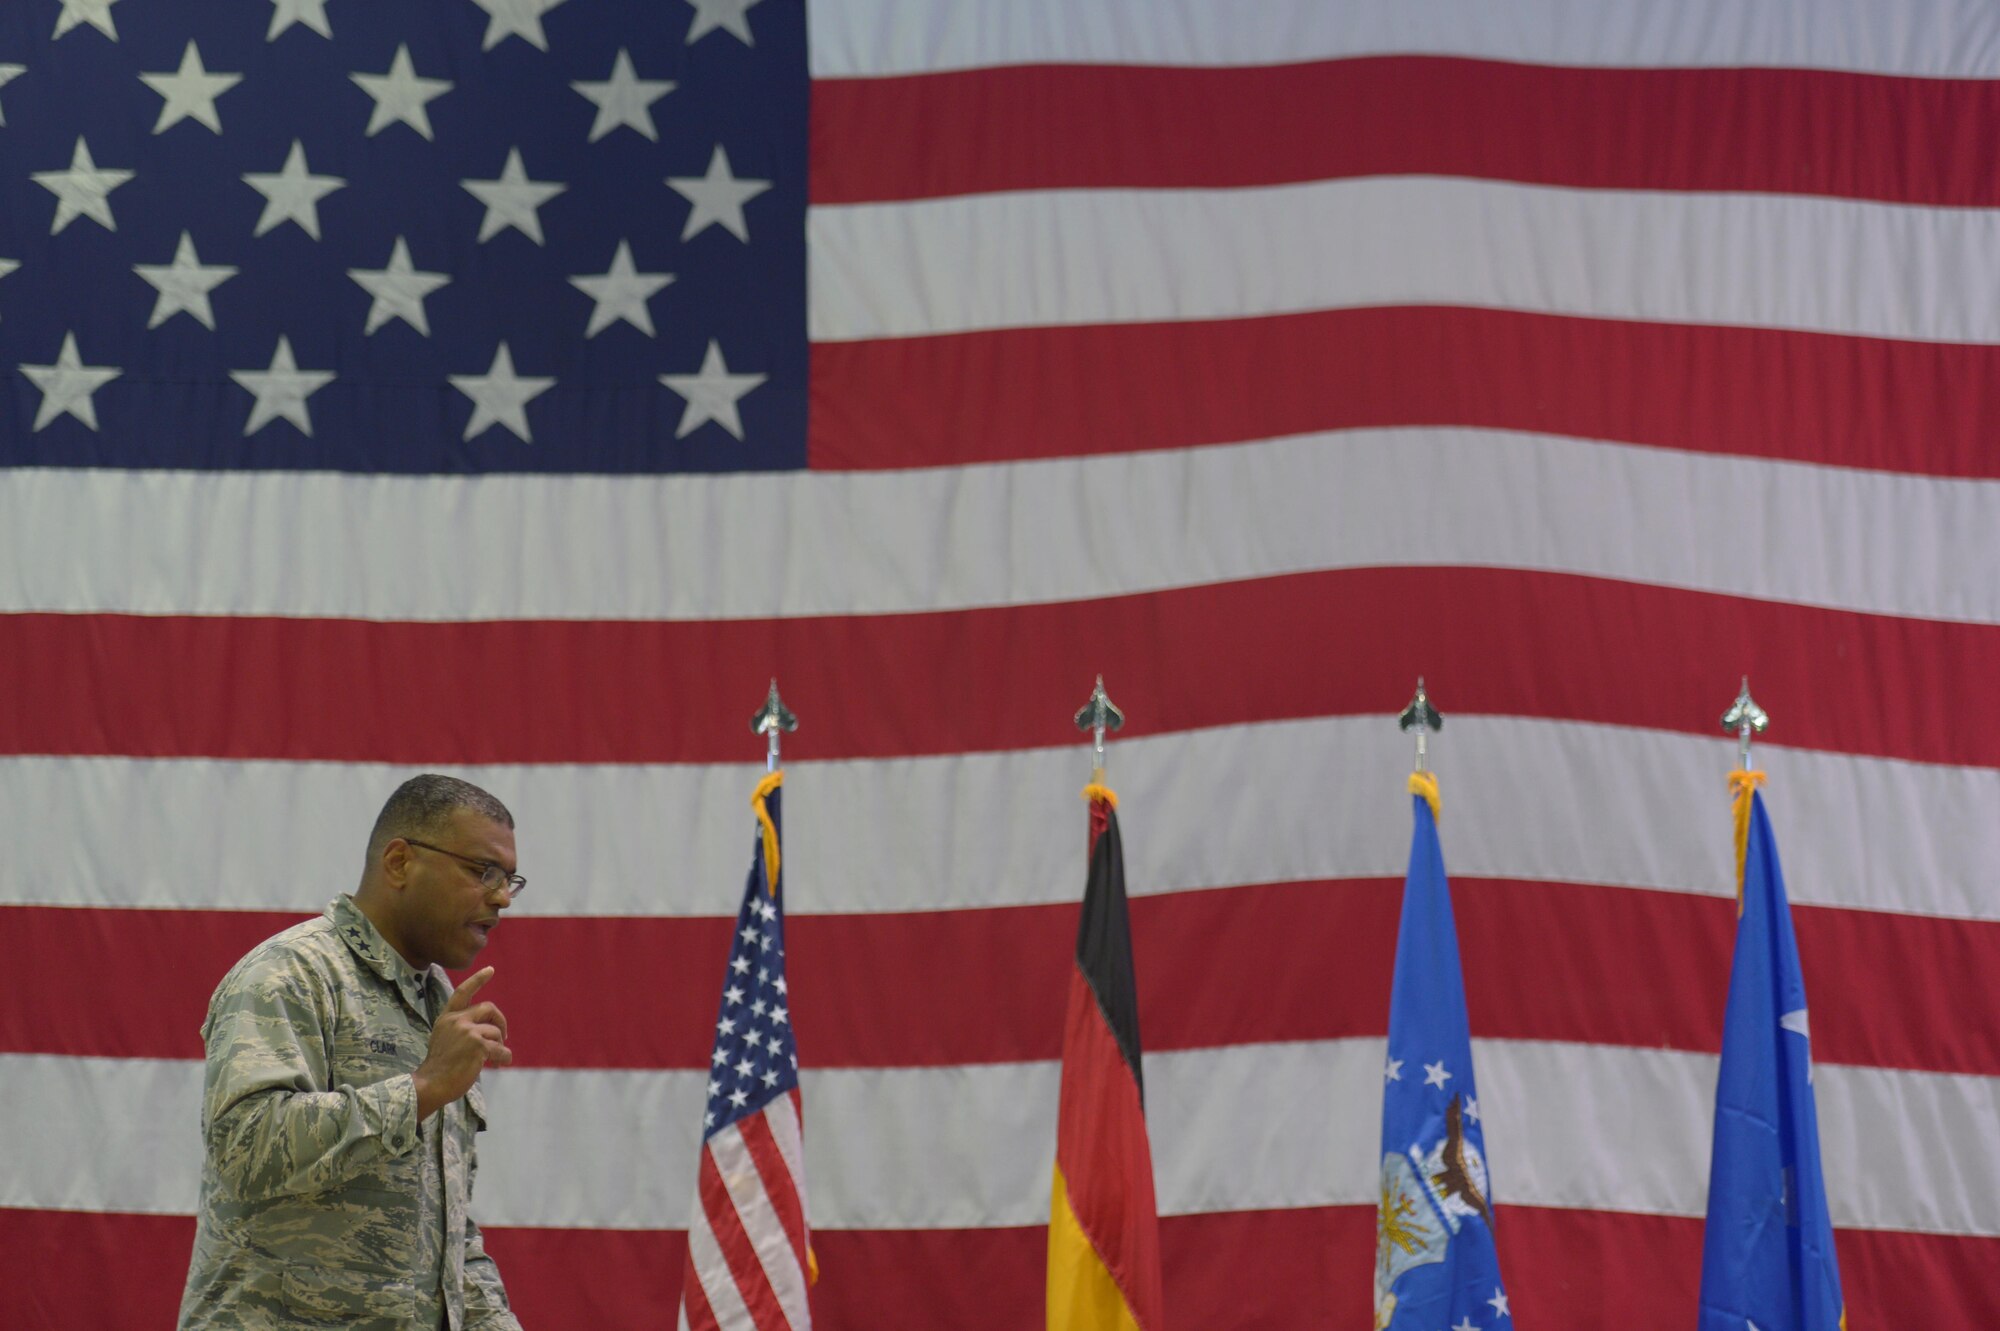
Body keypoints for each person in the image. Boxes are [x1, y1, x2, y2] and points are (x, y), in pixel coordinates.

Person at [178, 774, 526, 1330]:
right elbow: (245, 1148)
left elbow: (447, 1235)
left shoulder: (440, 1003)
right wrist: (421, 1090)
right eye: (481, 871)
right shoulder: (291, 973)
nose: (501, 896)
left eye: (510, 880)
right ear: (399, 862)